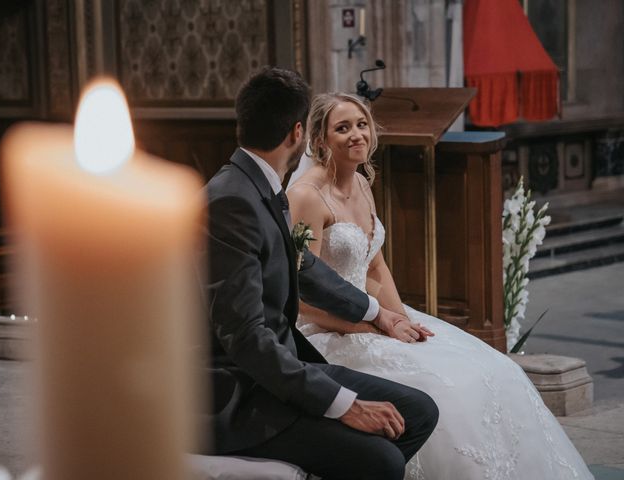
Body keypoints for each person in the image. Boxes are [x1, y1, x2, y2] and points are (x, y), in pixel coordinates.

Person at [287, 92, 594, 480]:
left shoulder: (363, 184)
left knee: (496, 369)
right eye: (342, 128)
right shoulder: (306, 197)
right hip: (326, 330)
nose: (356, 135)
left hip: (376, 317)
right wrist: (374, 325)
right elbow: (299, 297)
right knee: (446, 389)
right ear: (319, 140)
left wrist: (398, 319)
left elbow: (375, 263)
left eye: (361, 124)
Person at [204, 68, 439, 480]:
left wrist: (375, 312)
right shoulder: (230, 201)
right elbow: (244, 337)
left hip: (280, 367)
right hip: (240, 392)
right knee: (381, 460)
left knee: (419, 411)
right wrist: (343, 404)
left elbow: (302, 265)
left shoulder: (259, 184)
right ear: (298, 134)